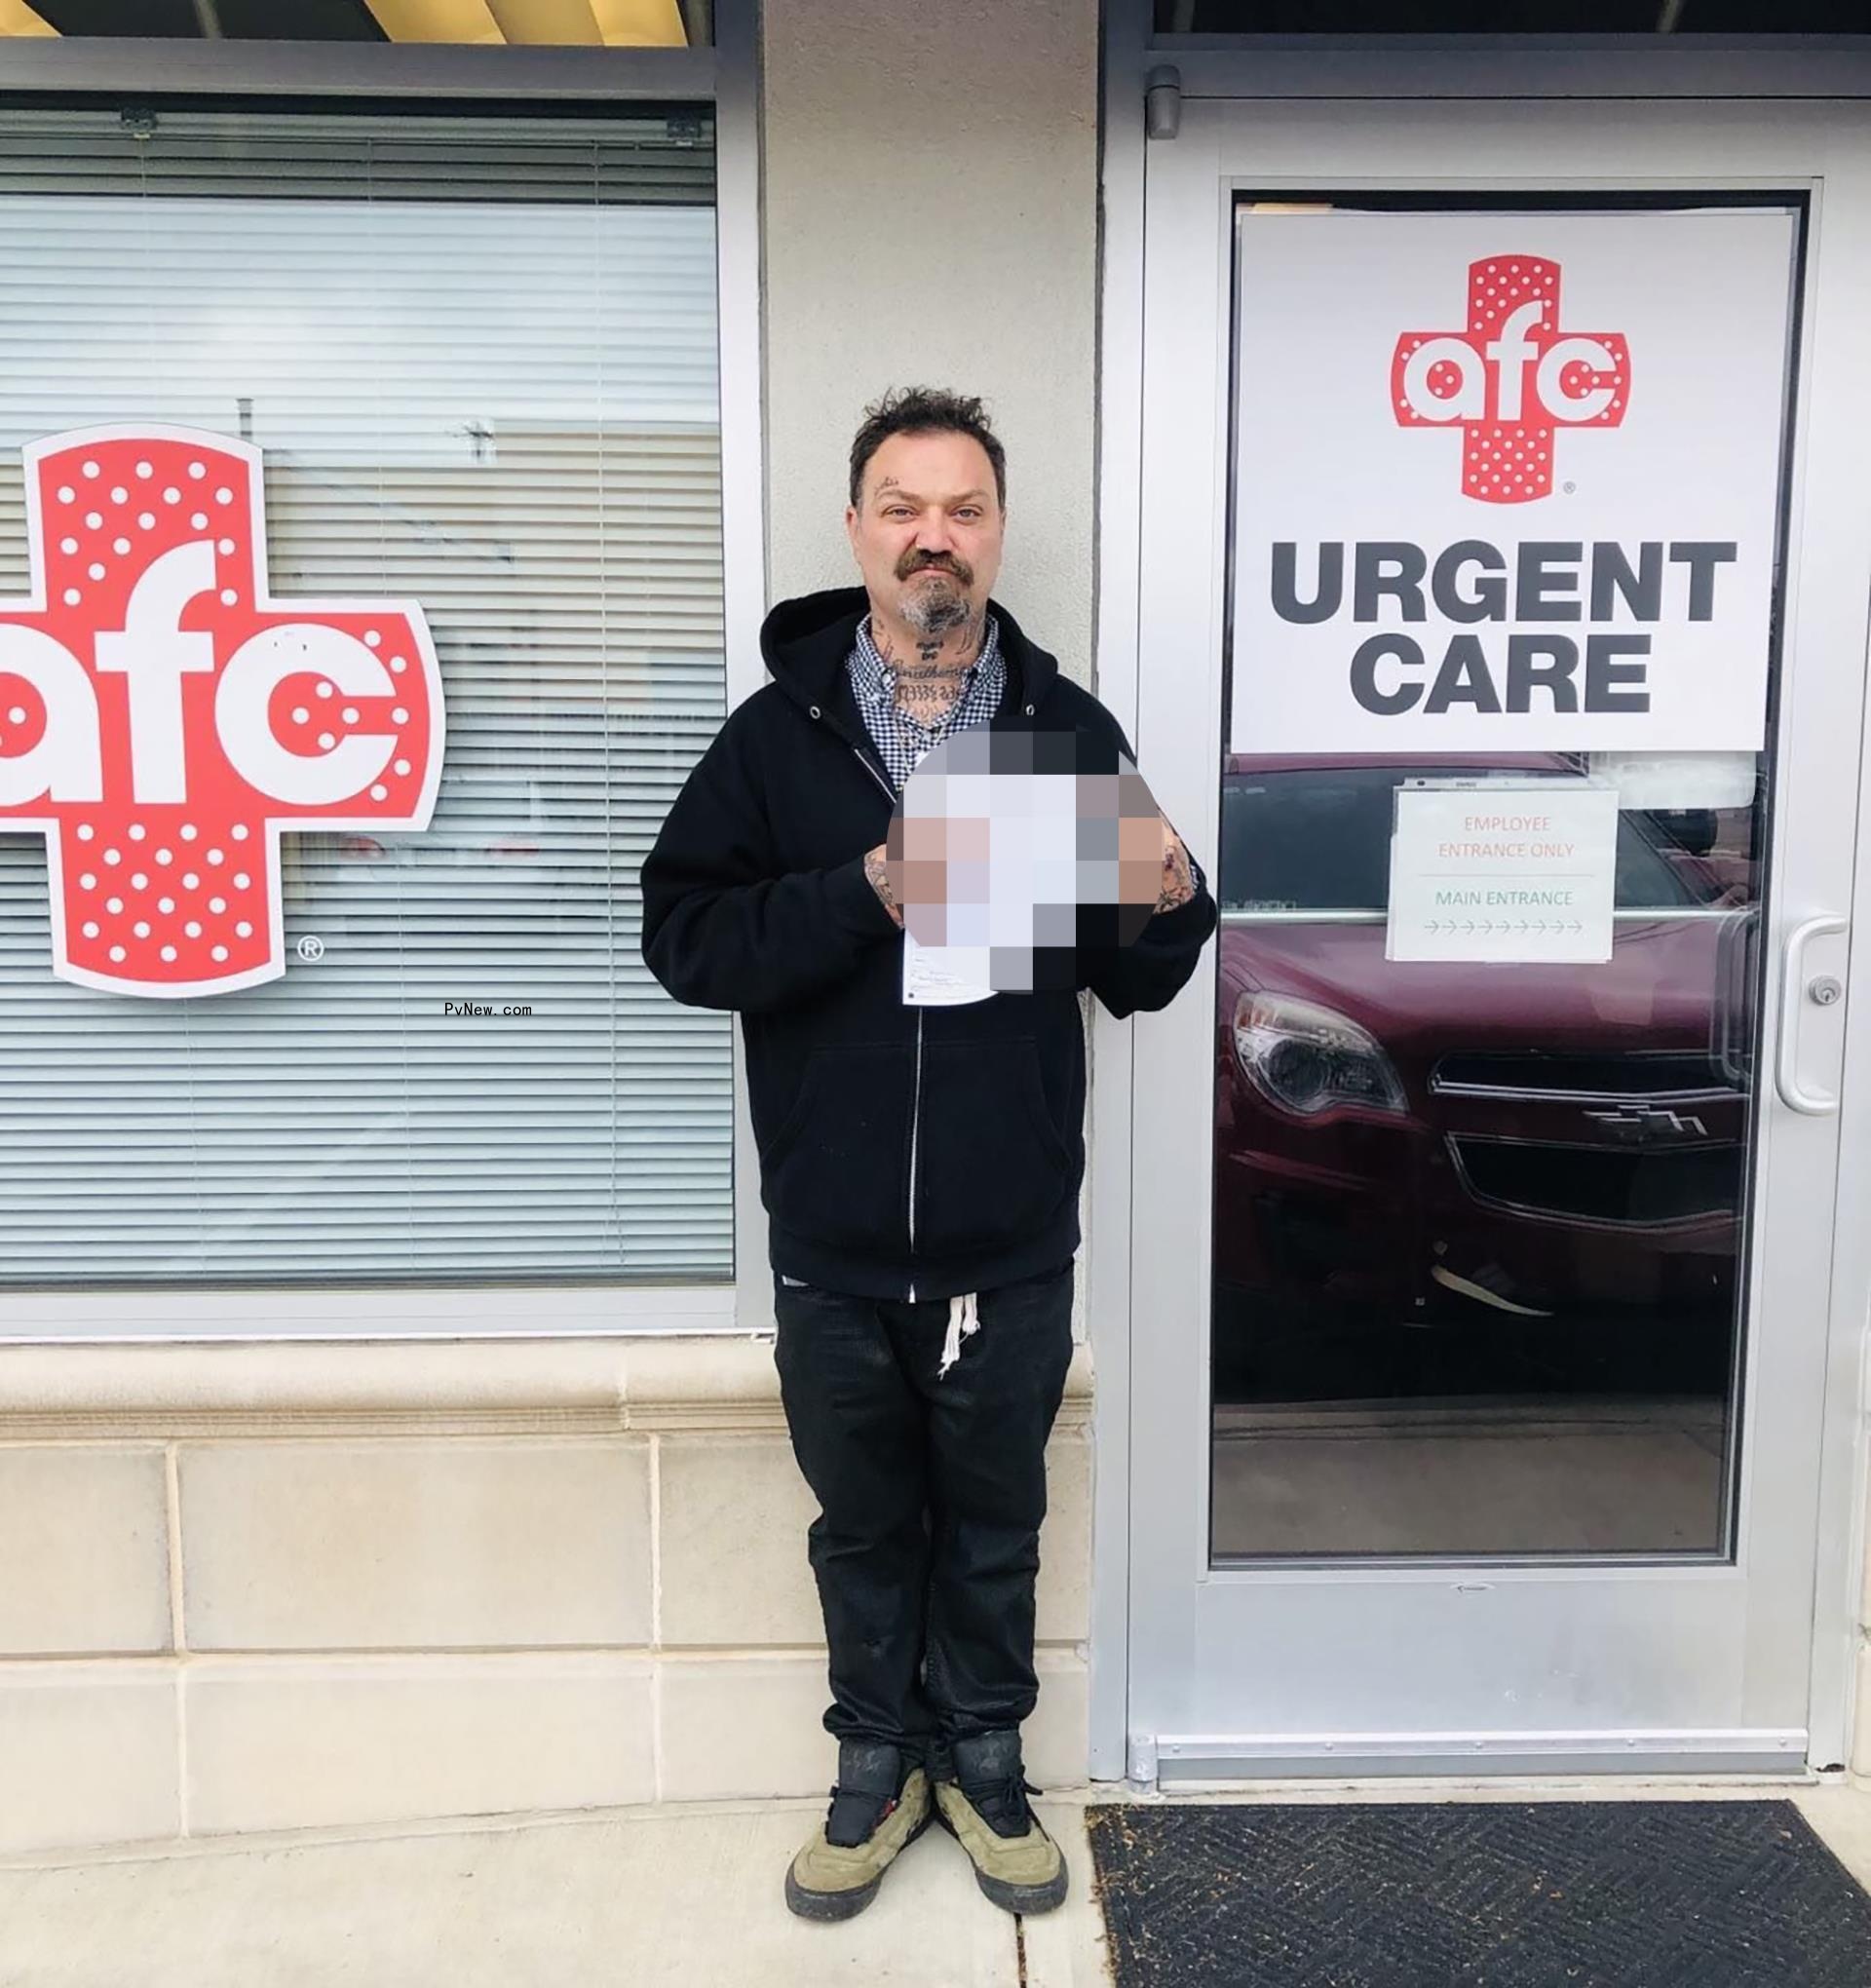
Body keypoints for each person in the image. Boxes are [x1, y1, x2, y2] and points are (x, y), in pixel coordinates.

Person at [639, 386, 1217, 1922]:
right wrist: (866, 888)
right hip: (833, 1240)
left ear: (997, 533)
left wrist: (1168, 892)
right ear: (857, 531)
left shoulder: (1060, 730)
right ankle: (873, 1764)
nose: (933, 539)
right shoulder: (778, 740)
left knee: (997, 1521)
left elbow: (1143, 968)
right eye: (903, 509)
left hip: (1008, 1234)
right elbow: (685, 940)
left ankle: (984, 1755)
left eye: (962, 510)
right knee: (864, 1525)